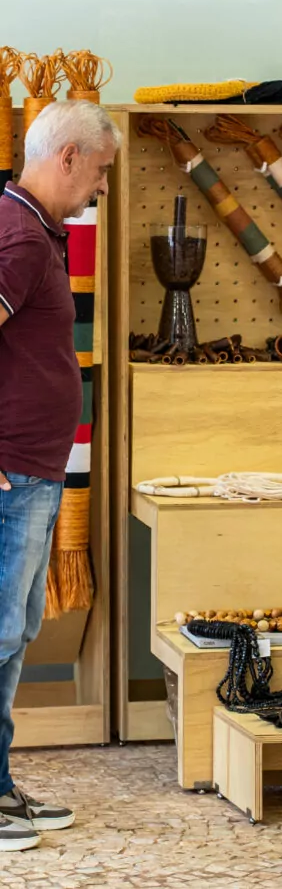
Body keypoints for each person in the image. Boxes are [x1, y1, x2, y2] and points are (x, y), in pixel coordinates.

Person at [0, 101, 121, 851]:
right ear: (69, 156)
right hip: (12, 470)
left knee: (12, 632)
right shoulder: (16, 233)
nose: (103, 187)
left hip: (30, 467)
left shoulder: (30, 227)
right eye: (102, 169)